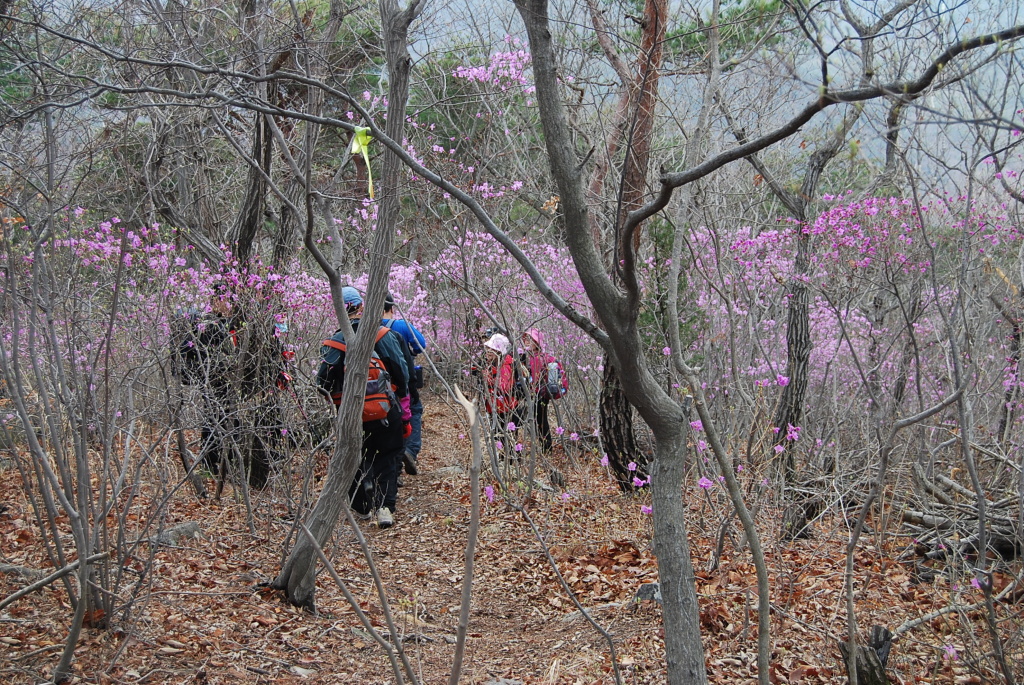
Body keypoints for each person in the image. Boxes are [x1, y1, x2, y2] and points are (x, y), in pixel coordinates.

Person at [321, 286, 412, 529]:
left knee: (353, 455)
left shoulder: (334, 342)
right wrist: (399, 398)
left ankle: (361, 506)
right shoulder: (383, 335)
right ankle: (385, 508)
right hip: (385, 408)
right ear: (362, 307)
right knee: (388, 455)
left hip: (350, 413)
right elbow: (403, 374)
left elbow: (323, 383)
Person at [381, 292, 427, 476]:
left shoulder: (366, 327)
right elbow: (420, 344)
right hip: (403, 382)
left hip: (377, 385)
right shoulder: (400, 326)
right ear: (392, 308)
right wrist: (410, 351)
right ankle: (410, 450)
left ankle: (392, 468)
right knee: (413, 411)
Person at [480, 333, 523, 434]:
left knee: (506, 441)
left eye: (492, 349)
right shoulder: (492, 363)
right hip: (497, 409)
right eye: (488, 348)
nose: (488, 351)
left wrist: (489, 375)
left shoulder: (505, 365)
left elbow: (503, 387)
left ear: (499, 352)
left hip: (506, 410)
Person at [520, 328, 554, 452]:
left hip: (540, 394)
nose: (527, 341)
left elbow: (537, 378)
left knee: (541, 420)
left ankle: (547, 448)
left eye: (530, 339)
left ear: (537, 342)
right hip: (533, 394)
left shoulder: (540, 358)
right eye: (526, 339)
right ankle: (544, 446)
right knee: (537, 420)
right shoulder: (527, 356)